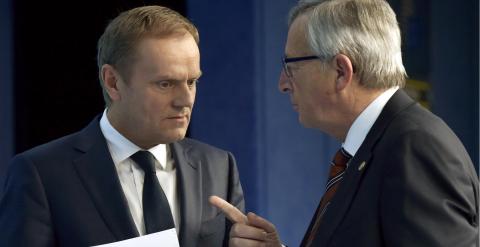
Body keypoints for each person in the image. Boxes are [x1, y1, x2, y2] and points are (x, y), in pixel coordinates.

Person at [210, 0, 479, 246]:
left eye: (291, 66)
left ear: (341, 71)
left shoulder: (414, 148)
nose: (282, 83)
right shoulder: (374, 146)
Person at [0, 5, 244, 247]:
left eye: (191, 81)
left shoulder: (219, 166)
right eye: (165, 84)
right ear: (113, 82)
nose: (185, 100)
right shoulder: (41, 175)